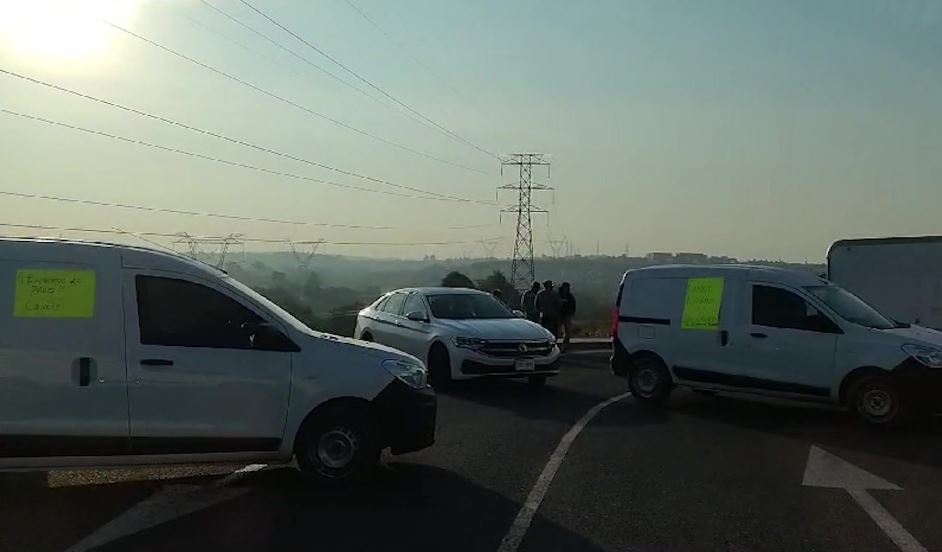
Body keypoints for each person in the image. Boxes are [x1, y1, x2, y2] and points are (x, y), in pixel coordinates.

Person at [559, 282, 577, 350]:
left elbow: (573, 305)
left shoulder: (569, 296)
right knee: (556, 330)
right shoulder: (559, 295)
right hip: (559, 315)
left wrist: (572, 312)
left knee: (567, 331)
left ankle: (565, 344)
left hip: (567, 315)